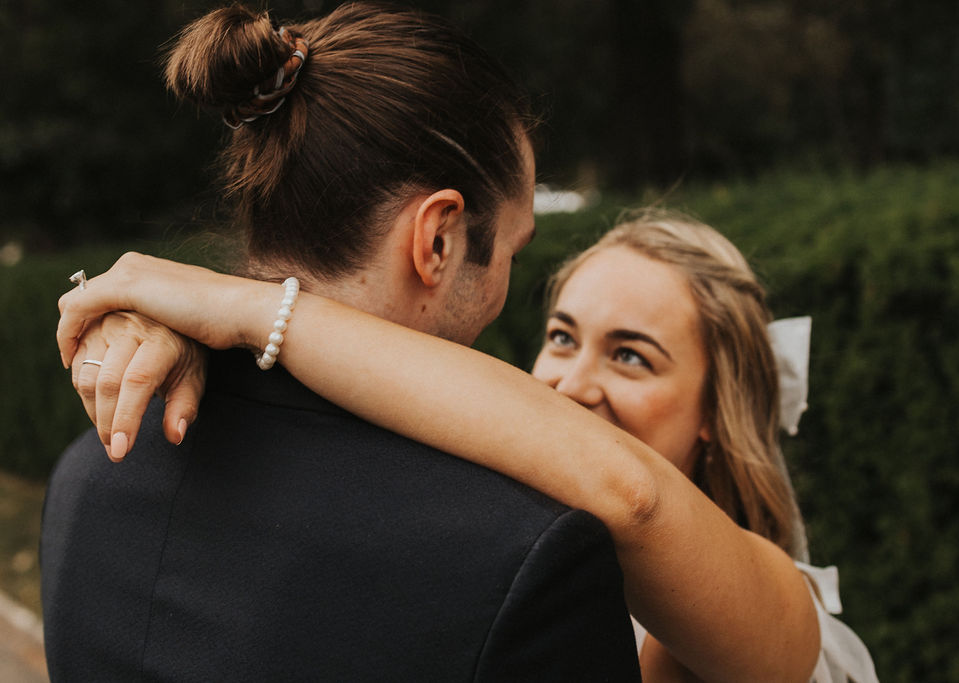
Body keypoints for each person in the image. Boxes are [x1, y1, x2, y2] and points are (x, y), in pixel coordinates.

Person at [40, 3, 644, 681]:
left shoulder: (90, 474)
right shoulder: (532, 553)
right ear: (437, 240)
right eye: (511, 248)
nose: (508, 278)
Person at [56, 212, 879, 681]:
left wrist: (244, 309)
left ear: (714, 409)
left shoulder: (783, 609)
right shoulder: (513, 546)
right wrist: (208, 349)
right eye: (561, 337)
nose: (570, 383)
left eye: (632, 355)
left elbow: (635, 495)